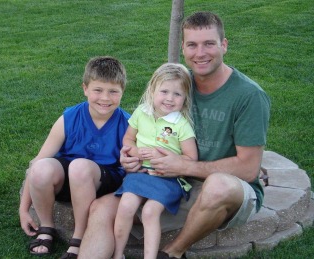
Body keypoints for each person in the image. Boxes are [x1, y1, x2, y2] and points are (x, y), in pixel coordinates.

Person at [78, 11, 271, 259]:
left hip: (221, 187)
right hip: (171, 184)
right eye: (192, 45)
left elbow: (247, 170)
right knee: (101, 208)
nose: (200, 53)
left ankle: (172, 252)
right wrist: (131, 156)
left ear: (224, 45)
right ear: (183, 48)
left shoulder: (249, 96)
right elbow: (144, 129)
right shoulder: (176, 85)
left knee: (218, 185)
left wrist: (182, 165)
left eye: (209, 44)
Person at [19, 56, 130, 258]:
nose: (105, 98)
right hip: (68, 181)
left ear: (123, 91)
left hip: (102, 183)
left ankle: (79, 237)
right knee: (42, 168)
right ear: (85, 88)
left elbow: (132, 168)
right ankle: (47, 227)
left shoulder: (129, 125)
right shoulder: (69, 118)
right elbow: (37, 162)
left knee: (79, 167)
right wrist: (24, 208)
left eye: (113, 91)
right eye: (98, 90)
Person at [112, 63, 198, 259]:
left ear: (185, 97)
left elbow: (191, 159)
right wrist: (135, 151)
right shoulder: (142, 113)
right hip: (140, 173)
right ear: (152, 90)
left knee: (150, 211)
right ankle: (117, 254)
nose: (169, 98)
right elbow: (128, 139)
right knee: (125, 206)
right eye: (164, 91)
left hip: (168, 178)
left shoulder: (182, 125)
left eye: (177, 94)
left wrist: (168, 159)